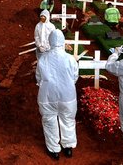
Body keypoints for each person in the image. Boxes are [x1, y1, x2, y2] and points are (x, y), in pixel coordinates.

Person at [36, 30, 79, 160]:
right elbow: (75, 77)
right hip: (67, 96)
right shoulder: (70, 59)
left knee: (49, 121)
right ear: (62, 41)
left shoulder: (43, 59)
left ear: (50, 41)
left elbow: (38, 78)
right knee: (68, 120)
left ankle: (54, 149)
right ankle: (68, 147)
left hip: (47, 96)